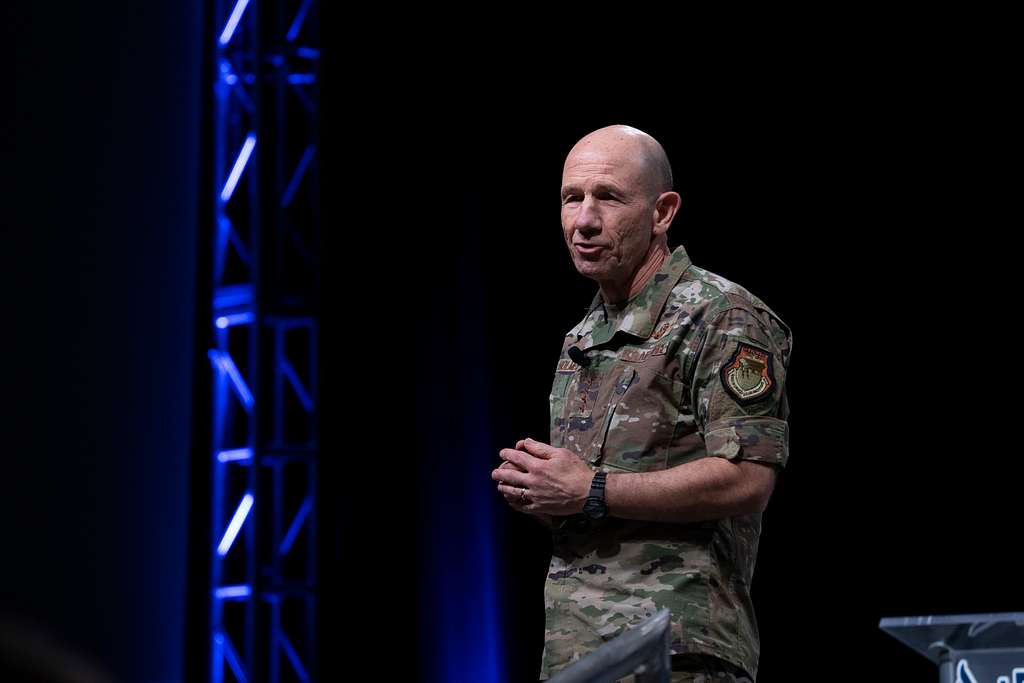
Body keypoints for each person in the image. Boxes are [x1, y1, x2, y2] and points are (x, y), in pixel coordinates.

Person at [491, 125, 792, 682]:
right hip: (579, 653)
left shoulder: (721, 316)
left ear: (663, 212)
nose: (583, 219)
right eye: (571, 198)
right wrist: (547, 493)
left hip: (678, 648)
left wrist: (592, 489)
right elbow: (592, 499)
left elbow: (749, 480)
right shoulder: (582, 336)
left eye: (608, 197)